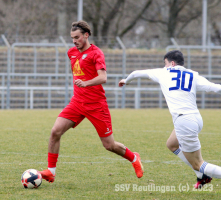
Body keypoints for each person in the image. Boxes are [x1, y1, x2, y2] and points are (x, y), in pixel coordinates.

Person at [39, 20, 144, 183]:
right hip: (77, 103)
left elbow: (103, 77)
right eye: (72, 38)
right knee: (55, 131)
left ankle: (133, 158)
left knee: (109, 145)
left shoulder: (96, 53)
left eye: (77, 37)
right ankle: (51, 172)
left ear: (86, 35)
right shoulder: (71, 53)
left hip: (96, 106)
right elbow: (78, 72)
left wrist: (86, 83)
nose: (74, 41)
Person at [119, 50, 221, 189]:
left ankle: (203, 173)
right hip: (196, 119)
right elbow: (214, 88)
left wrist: (126, 80)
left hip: (184, 121)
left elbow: (137, 73)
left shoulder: (164, 72)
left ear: (172, 63)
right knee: (172, 144)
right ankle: (201, 176)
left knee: (199, 163)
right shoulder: (192, 74)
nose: (164, 66)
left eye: (165, 63)